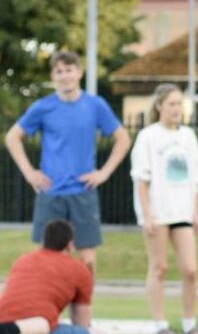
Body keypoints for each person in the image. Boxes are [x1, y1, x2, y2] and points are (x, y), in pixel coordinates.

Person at [5, 50, 130, 274]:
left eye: (69, 70)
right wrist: (29, 172)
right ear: (53, 76)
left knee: (87, 261)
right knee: (47, 261)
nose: (64, 76)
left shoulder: (95, 105)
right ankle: (48, 309)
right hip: (51, 192)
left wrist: (104, 172)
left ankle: (83, 308)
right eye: (59, 71)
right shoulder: (43, 107)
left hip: (83, 191)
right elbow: (12, 137)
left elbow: (123, 138)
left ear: (79, 73)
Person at [129, 83, 198, 334]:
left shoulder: (188, 136)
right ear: (160, 106)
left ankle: (189, 322)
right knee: (159, 267)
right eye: (171, 103)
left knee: (190, 270)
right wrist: (147, 213)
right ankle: (160, 324)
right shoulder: (148, 137)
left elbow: (196, 177)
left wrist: (194, 212)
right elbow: (141, 178)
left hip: (182, 211)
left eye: (179, 103)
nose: (176, 109)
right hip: (158, 212)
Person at [0, 219, 97, 334]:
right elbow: (82, 322)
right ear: (69, 245)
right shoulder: (79, 269)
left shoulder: (24, 260)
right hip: (39, 326)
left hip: (5, 320)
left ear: (43, 241)